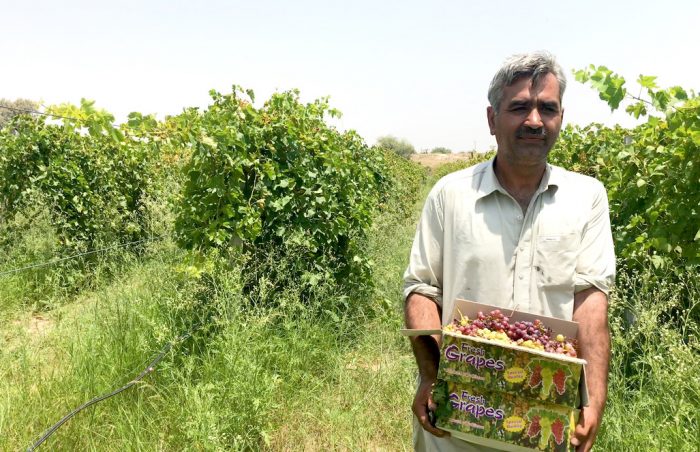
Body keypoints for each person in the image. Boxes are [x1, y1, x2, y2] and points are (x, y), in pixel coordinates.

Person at [403, 51, 616, 452]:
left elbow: (590, 302)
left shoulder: (587, 198)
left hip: (545, 420)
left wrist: (596, 397)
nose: (534, 120)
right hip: (459, 416)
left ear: (560, 119)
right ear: (491, 120)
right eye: (519, 107)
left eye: (547, 108)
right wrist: (431, 377)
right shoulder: (451, 195)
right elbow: (421, 290)